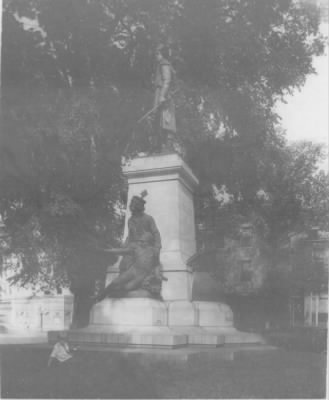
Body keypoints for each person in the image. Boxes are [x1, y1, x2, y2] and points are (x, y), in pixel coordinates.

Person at [153, 44, 176, 152]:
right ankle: (160, 146)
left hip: (164, 95)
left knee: (166, 118)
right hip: (161, 93)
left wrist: (162, 96)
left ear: (161, 54)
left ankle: (167, 146)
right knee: (159, 119)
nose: (156, 56)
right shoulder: (160, 64)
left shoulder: (164, 64)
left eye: (157, 53)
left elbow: (167, 80)